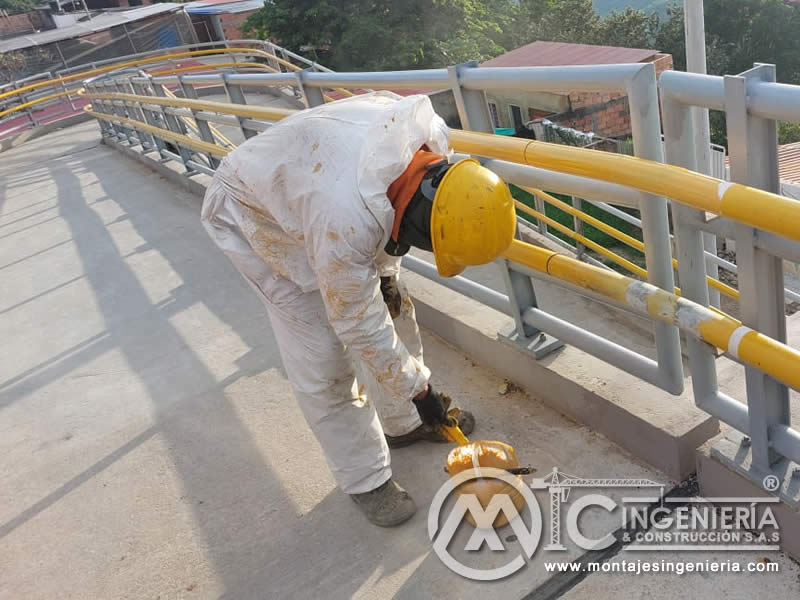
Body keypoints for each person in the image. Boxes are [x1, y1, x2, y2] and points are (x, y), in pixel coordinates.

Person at [201, 91, 515, 526]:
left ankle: (405, 421)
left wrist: (411, 387)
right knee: (323, 353)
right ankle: (366, 479)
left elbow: (381, 236)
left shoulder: (435, 146)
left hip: (318, 184)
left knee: (394, 305)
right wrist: (420, 387)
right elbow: (357, 322)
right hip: (257, 213)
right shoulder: (343, 218)